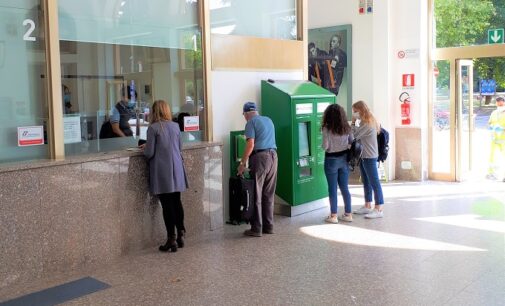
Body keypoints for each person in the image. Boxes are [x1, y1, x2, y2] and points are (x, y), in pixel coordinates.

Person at [141, 100, 188, 252]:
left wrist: (145, 147)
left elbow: (149, 153)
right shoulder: (175, 126)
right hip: (177, 169)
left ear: (154, 111)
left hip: (162, 171)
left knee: (167, 205)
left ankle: (171, 239)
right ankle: (181, 233)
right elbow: (179, 147)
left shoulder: (153, 128)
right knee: (176, 201)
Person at [237, 101, 278, 237]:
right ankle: (269, 226)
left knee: (257, 193)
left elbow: (250, 144)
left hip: (260, 158)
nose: (244, 117)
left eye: (244, 114)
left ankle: (256, 228)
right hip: (273, 156)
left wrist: (242, 164)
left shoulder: (250, 123)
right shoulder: (268, 120)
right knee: (268, 193)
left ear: (247, 113)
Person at [351, 100, 385, 219]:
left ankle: (379, 208)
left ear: (360, 110)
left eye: (355, 111)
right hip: (364, 155)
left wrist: (353, 123)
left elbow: (354, 136)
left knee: (374, 182)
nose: (354, 113)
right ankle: (367, 205)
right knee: (366, 181)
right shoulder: (365, 121)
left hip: (370, 156)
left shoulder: (368, 123)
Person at [321, 104, 353, 223]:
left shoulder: (327, 129)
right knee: (344, 187)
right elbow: (351, 141)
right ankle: (348, 214)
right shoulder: (346, 127)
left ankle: (333, 216)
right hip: (344, 159)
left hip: (331, 160)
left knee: (332, 188)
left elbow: (325, 146)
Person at [486, 96, 505, 182]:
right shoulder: (494, 112)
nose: (499, 105)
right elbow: (489, 123)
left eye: (501, 103)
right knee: (492, 156)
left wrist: (502, 129)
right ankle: (491, 173)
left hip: (503, 138)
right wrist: (491, 127)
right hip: (494, 138)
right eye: (498, 103)